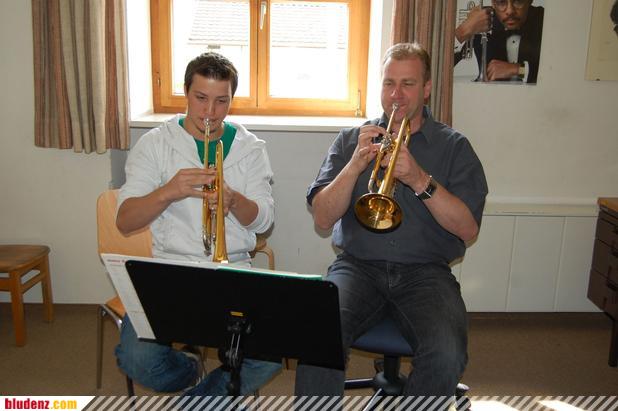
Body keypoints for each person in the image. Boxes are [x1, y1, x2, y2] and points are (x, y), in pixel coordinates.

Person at [295, 42, 488, 399]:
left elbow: (467, 228)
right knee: (318, 337)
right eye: (388, 83)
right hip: (357, 266)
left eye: (407, 84)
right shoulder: (352, 140)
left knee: (447, 354)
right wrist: (355, 165)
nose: (396, 94)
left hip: (426, 273)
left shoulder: (454, 146)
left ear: (426, 88)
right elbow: (322, 217)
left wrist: (419, 179)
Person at [114, 52, 281, 395]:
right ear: (186, 93)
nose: (210, 112)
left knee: (272, 354)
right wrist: (168, 192)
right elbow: (125, 220)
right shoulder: (155, 143)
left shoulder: (250, 148)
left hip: (233, 270)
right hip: (169, 270)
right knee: (136, 359)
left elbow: (263, 222)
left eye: (222, 101)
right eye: (201, 98)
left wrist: (234, 201)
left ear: (232, 99)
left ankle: (198, 401)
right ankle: (191, 369)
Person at [455, 0, 544, 83]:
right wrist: (462, 31)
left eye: (518, 1)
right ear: (493, 3)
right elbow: (446, 65)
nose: (510, 11)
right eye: (501, 2)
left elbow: (552, 72)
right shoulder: (482, 18)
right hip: (489, 94)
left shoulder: (545, 19)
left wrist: (519, 69)